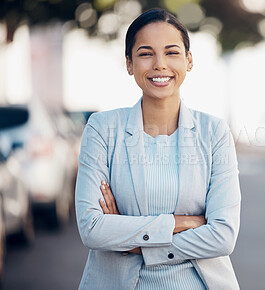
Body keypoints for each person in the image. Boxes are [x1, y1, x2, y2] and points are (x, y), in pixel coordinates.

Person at [75, 8, 241, 290]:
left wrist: (136, 242)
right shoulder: (102, 129)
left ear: (189, 61)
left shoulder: (214, 133)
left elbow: (223, 236)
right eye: (145, 53)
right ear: (129, 64)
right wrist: (180, 222)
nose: (159, 64)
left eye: (172, 52)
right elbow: (92, 229)